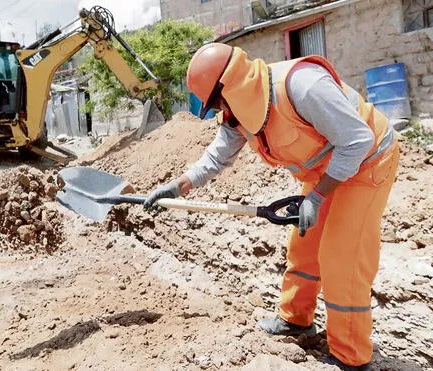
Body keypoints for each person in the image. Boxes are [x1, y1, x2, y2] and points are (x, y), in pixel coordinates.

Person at [143, 43, 399, 371]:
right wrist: (178, 185)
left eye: (218, 101)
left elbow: (357, 141)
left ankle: (350, 357)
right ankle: (296, 320)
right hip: (329, 170)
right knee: (305, 246)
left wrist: (317, 197)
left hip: (368, 161)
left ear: (229, 86)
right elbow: (217, 156)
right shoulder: (241, 113)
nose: (221, 110)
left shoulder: (302, 86)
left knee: (341, 257)